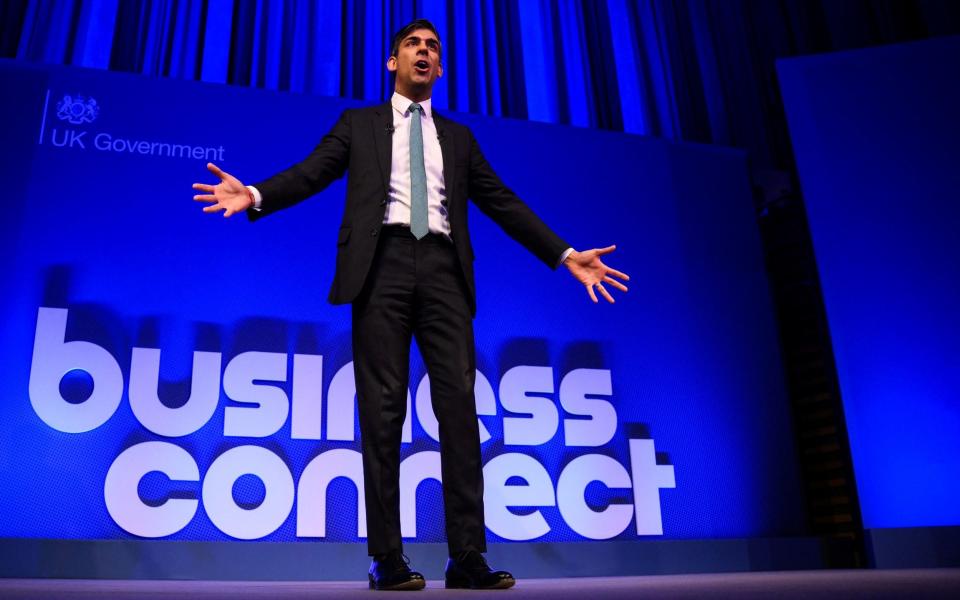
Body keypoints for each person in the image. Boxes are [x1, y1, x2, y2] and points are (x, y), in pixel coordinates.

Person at [192, 18, 628, 591]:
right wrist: (254, 195)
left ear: (440, 69)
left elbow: (503, 202)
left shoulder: (460, 138)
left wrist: (564, 253)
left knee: (460, 413)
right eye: (413, 45)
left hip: (445, 271)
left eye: (433, 48)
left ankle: (466, 557)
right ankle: (386, 559)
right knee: (383, 412)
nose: (424, 52)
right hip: (382, 267)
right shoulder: (360, 124)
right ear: (392, 62)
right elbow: (312, 172)